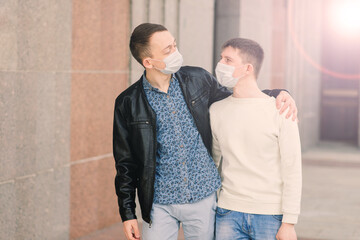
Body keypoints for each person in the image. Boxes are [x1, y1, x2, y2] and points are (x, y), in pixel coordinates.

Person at [113, 23, 297, 240]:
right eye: (167, 50)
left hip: (203, 196)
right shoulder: (127, 102)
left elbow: (235, 98)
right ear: (148, 62)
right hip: (159, 202)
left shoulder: (198, 79)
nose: (175, 52)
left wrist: (277, 93)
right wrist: (128, 214)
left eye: (174, 45)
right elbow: (125, 164)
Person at [210, 38, 302, 240]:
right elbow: (213, 164)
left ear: (247, 68)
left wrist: (289, 222)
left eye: (227, 60)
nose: (220, 65)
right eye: (221, 58)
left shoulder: (281, 110)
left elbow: (292, 169)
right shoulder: (216, 110)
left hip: (270, 215)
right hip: (227, 212)